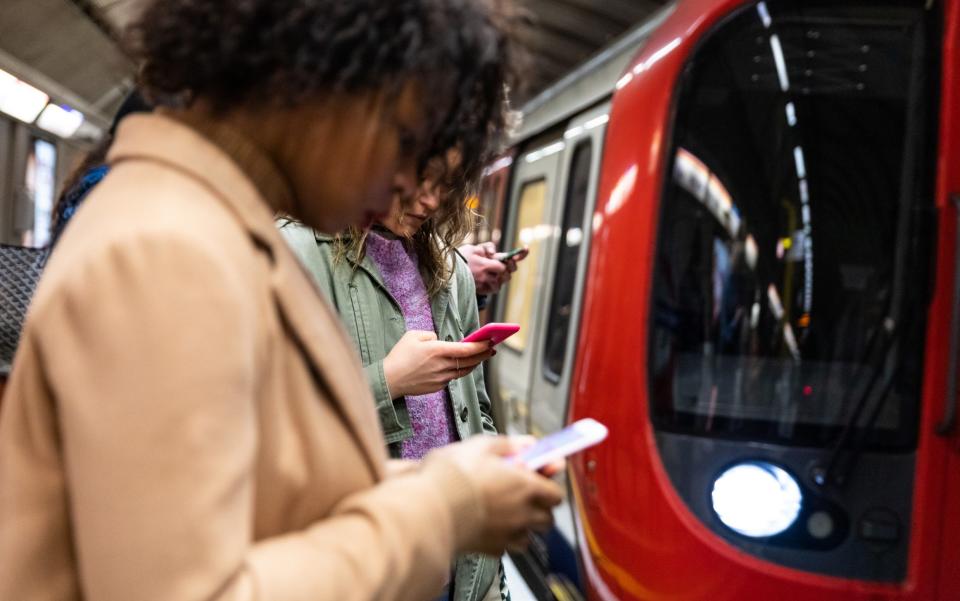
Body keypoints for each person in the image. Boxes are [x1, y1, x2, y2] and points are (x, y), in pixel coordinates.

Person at [0, 2, 564, 600]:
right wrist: (445, 509)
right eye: (402, 140)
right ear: (323, 87)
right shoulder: (166, 249)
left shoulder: (215, 231)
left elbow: (256, 499)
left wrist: (448, 480)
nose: (407, 184)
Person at [280, 152, 506, 600]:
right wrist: (389, 381)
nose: (430, 200)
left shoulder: (449, 266)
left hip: (456, 564)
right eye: (419, 178)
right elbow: (273, 429)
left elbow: (474, 407)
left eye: (447, 182)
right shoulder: (296, 253)